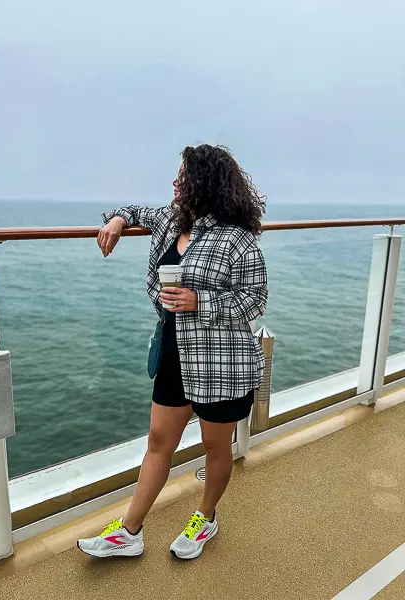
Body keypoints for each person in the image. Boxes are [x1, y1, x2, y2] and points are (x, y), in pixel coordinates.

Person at [78, 144, 268, 560]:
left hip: (222, 362)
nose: (175, 182)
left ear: (204, 184)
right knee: (158, 440)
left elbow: (255, 299)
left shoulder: (237, 241)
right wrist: (118, 219)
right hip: (173, 352)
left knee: (215, 447)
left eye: (182, 177)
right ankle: (130, 532)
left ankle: (206, 517)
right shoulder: (168, 219)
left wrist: (202, 302)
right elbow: (133, 209)